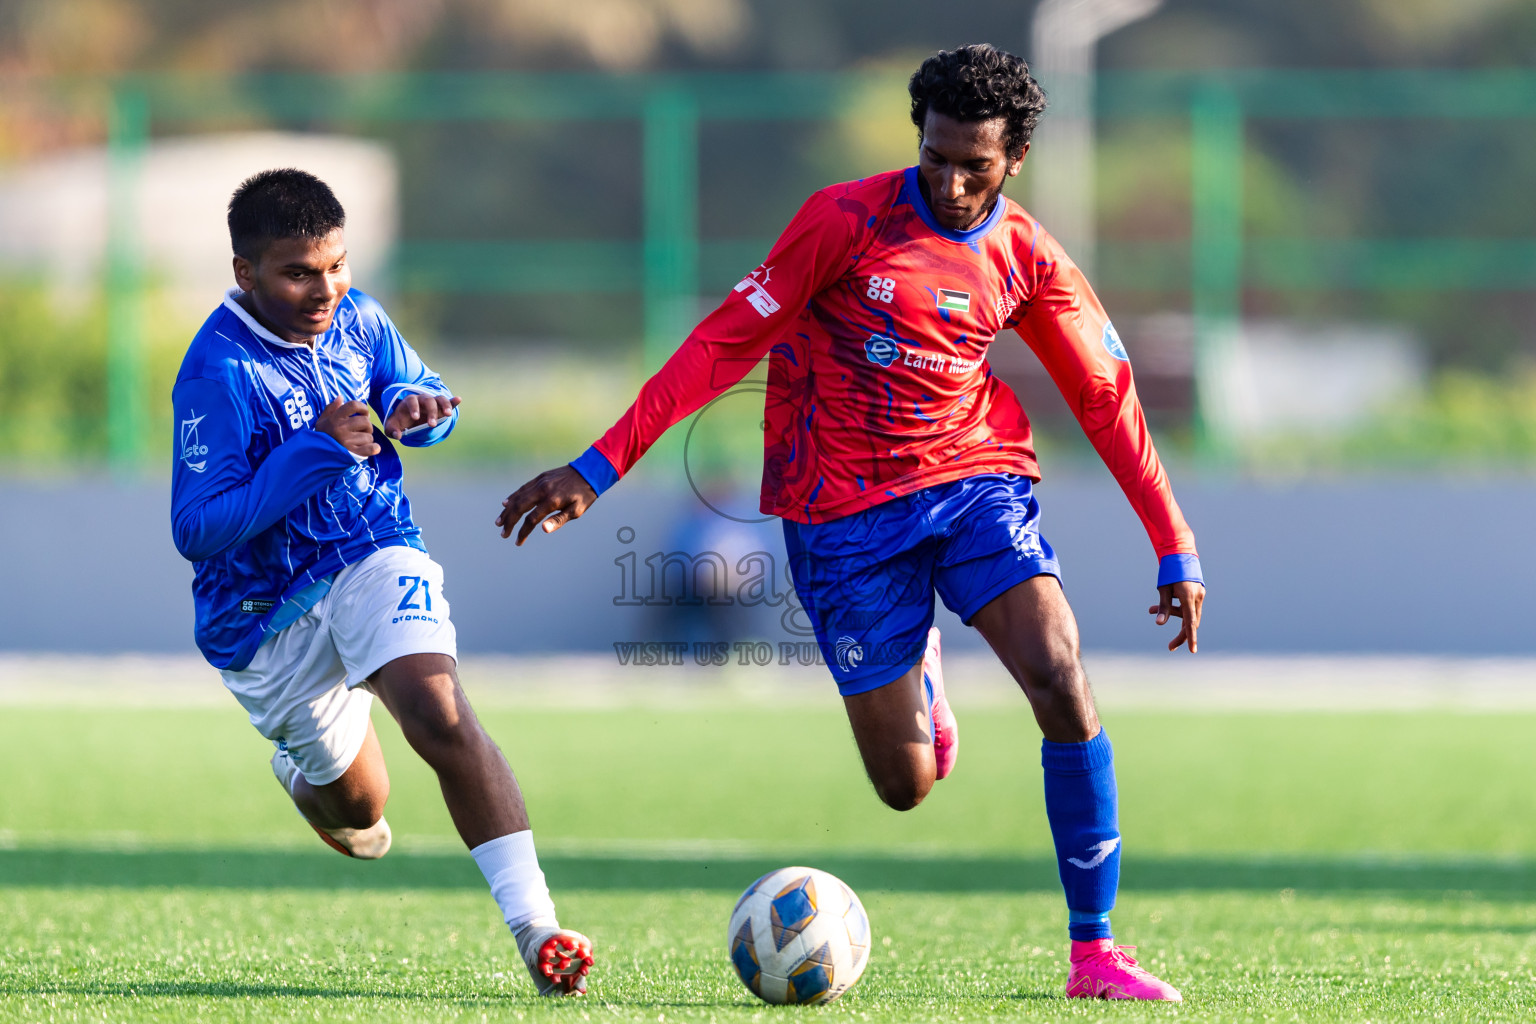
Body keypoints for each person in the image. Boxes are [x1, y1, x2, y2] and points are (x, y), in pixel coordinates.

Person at [498, 45, 1204, 1000]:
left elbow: (1107, 398)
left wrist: (1174, 542)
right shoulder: (843, 221)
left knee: (1060, 676)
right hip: (840, 515)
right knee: (905, 784)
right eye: (936, 157)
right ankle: (920, 660)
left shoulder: (1029, 256)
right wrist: (597, 467)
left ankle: (1095, 949)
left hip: (972, 479)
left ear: (1016, 160)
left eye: (975, 166)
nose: (951, 182)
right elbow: (721, 344)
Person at [170, 168, 592, 996]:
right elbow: (198, 528)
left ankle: (537, 929)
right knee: (362, 810)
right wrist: (317, 448)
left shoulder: (359, 318)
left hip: (371, 549)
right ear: (245, 273)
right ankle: (309, 783)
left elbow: (424, 391)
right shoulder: (216, 372)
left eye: (337, 265)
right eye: (298, 272)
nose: (325, 288)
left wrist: (417, 408)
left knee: (440, 715)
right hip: (264, 617)